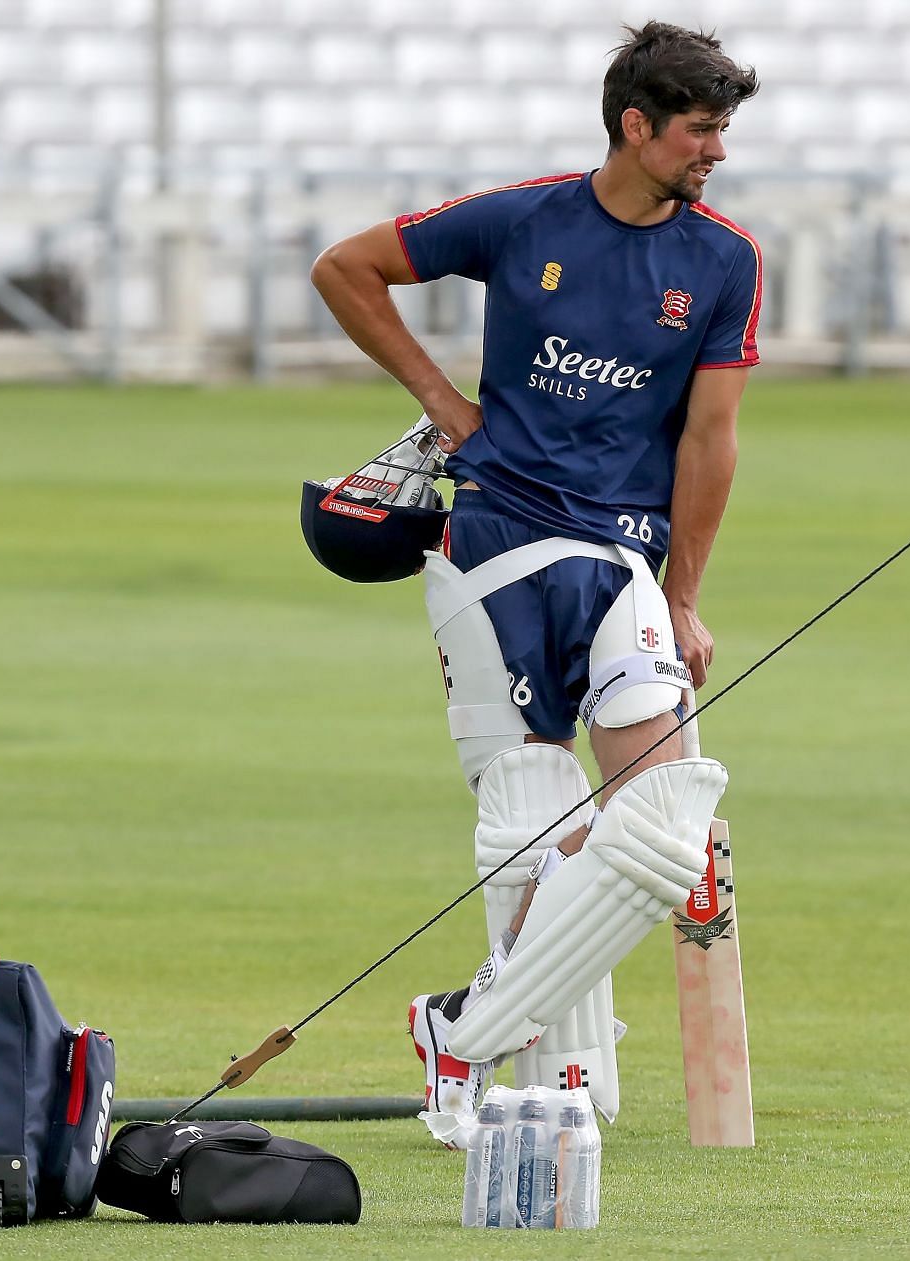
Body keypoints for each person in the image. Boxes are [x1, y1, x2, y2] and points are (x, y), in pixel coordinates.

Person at [309, 21, 763, 1145]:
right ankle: (556, 1078)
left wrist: (688, 593)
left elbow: (712, 440)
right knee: (530, 816)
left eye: (722, 131)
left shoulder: (724, 258)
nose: (716, 152)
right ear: (635, 125)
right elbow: (346, 268)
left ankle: (459, 1033)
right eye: (701, 130)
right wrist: (444, 403)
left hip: (622, 562)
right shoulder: (525, 219)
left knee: (666, 827)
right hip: (499, 546)